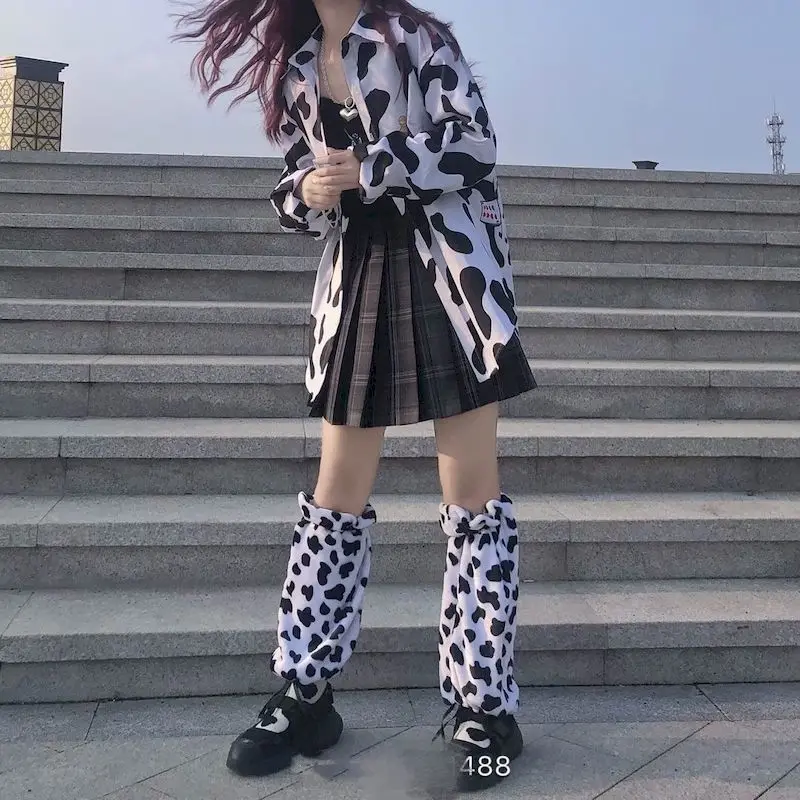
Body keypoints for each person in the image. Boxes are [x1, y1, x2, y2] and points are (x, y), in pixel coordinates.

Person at [175, 0, 537, 792]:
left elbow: (474, 145)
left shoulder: (417, 39)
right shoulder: (303, 67)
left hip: (451, 279)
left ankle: (485, 709)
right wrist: (307, 188)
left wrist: (372, 168)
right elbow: (291, 189)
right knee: (334, 493)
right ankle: (305, 694)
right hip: (359, 277)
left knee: (472, 494)